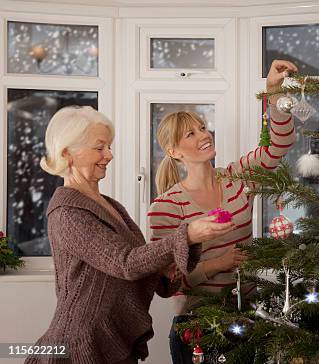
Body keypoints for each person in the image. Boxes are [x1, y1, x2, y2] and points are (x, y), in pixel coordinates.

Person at [26, 106, 236, 364]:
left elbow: (142, 267)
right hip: (79, 345)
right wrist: (188, 235)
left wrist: (169, 270)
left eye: (109, 147)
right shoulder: (67, 213)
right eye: (100, 147)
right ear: (68, 152)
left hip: (111, 340)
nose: (109, 155)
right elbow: (124, 263)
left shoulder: (111, 206)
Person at [147, 60, 297, 363]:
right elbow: (167, 282)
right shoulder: (165, 207)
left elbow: (277, 147)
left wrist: (273, 92)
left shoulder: (238, 178)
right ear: (174, 152)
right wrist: (216, 264)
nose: (204, 135)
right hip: (197, 326)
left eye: (202, 128)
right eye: (190, 134)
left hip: (245, 318)